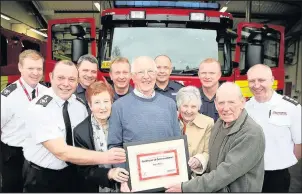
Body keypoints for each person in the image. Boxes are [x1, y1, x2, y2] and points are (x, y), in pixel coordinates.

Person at [22, 60, 126, 192]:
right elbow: (62, 152)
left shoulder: (79, 105)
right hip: (42, 177)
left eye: (71, 79)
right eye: (61, 78)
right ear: (50, 77)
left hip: (72, 175)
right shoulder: (40, 108)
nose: (66, 84)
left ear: (77, 81)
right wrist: (107, 157)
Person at [165, 82, 265, 193]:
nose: (226, 108)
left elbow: (225, 173)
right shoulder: (219, 123)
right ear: (216, 104)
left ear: (242, 102)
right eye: (221, 103)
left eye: (231, 102)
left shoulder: (251, 133)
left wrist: (186, 187)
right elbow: (211, 163)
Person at [107, 56, 181, 169]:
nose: (146, 76)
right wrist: (125, 178)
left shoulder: (169, 104)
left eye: (150, 71)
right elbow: (115, 147)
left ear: (156, 74)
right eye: (141, 72)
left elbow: (177, 142)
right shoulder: (118, 107)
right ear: (133, 76)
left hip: (167, 177)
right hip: (135, 179)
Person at [245, 64, 301, 193]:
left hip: (278, 176)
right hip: (249, 174)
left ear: (272, 80)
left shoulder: (291, 107)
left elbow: (299, 144)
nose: (256, 85)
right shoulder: (245, 108)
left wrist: (283, 161)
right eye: (252, 81)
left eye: (261, 80)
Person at [0, 49, 48, 192]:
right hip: (14, 156)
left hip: (40, 152)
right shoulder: (8, 96)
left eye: (39, 68)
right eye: (30, 68)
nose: (35, 72)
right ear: (20, 68)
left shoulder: (46, 92)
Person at [73, 81, 129, 192]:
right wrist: (110, 173)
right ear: (90, 105)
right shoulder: (80, 132)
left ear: (112, 102)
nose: (102, 107)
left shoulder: (124, 123)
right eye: (97, 102)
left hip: (126, 184)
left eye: (106, 101)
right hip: (97, 187)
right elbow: (84, 169)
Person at [176, 86, 214, 176]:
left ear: (198, 107)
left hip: (195, 177)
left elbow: (209, 152)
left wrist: (199, 160)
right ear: (179, 106)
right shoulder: (171, 120)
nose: (189, 111)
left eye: (193, 106)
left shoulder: (208, 123)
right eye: (185, 106)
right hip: (173, 173)